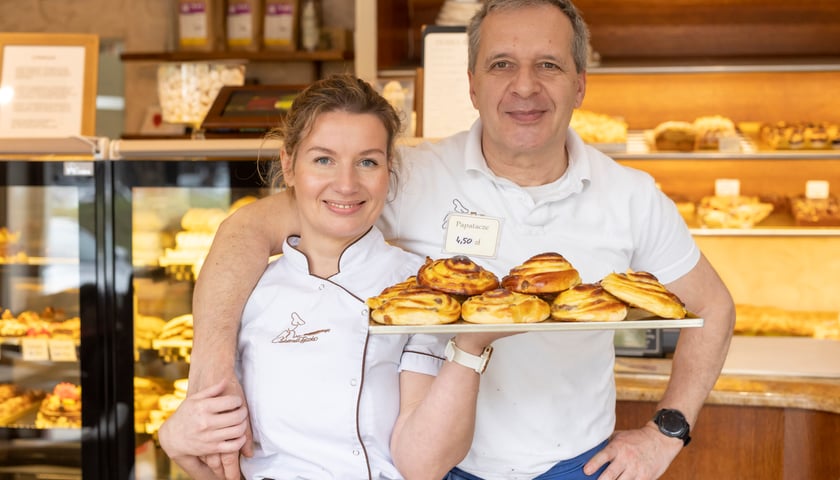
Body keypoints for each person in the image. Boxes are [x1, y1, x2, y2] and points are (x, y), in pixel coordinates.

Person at [185, 1, 736, 479]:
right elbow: (246, 230)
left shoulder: (631, 195)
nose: (525, 86)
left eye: (548, 64)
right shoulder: (407, 175)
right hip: (432, 469)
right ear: (472, 83)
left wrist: (668, 432)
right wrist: (212, 371)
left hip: (574, 467)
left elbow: (712, 306)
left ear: (580, 82)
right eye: (502, 65)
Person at [158, 74, 508, 479]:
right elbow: (226, 467)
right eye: (323, 159)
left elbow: (423, 465)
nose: (346, 184)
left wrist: (470, 344)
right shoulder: (248, 291)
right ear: (289, 167)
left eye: (367, 162)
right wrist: (177, 444)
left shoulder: (418, 293)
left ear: (388, 170)